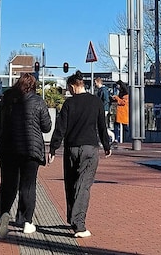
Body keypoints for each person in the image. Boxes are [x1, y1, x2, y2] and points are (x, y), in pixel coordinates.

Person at [48, 72, 111, 239]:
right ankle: (79, 224)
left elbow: (60, 128)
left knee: (70, 184)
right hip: (90, 148)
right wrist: (106, 145)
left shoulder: (69, 104)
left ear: (73, 86)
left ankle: (72, 218)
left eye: (69, 88)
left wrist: (53, 149)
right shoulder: (96, 102)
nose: (69, 91)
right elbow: (102, 126)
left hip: (71, 148)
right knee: (83, 185)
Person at [0, 73, 52, 238]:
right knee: (28, 185)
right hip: (30, 150)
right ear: (33, 87)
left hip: (8, 148)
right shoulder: (37, 101)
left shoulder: (6, 99)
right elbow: (46, 126)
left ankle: (4, 215)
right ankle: (27, 222)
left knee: (7, 185)